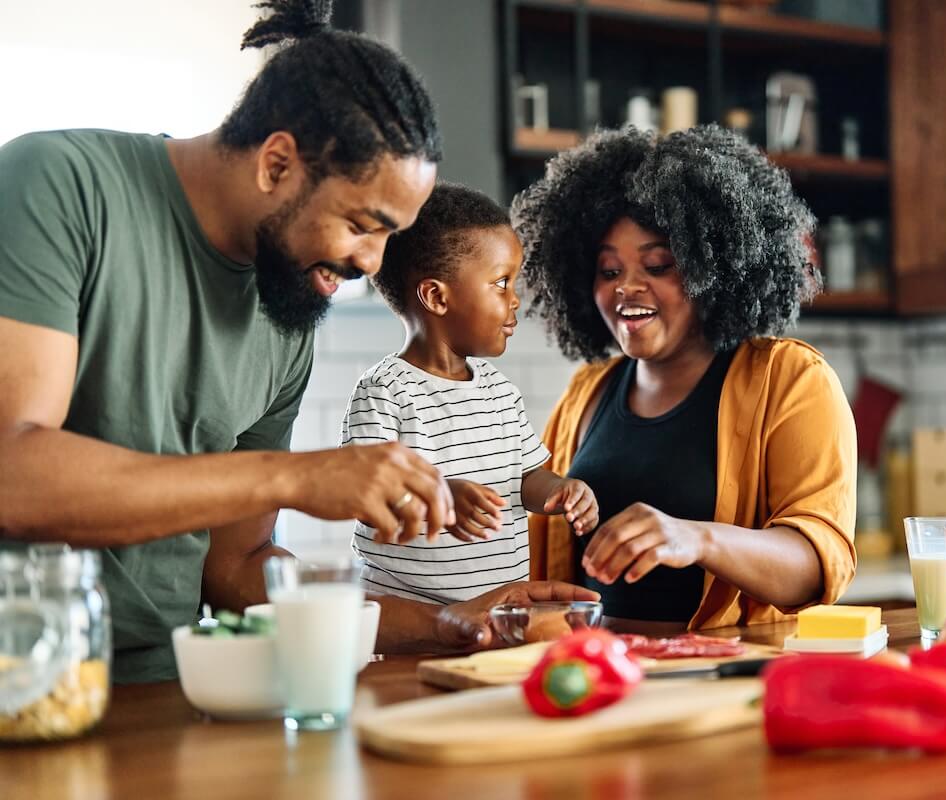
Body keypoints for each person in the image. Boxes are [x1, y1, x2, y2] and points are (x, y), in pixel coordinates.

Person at [0, 0, 592, 684]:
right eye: (363, 225)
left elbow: (238, 570)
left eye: (390, 237)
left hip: (164, 684)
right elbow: (14, 474)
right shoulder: (58, 185)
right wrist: (302, 476)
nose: (373, 263)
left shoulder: (286, 309)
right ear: (277, 163)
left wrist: (452, 624)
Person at [514, 125, 858, 633]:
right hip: (594, 680)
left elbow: (818, 564)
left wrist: (695, 539)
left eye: (658, 265)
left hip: (718, 681)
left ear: (712, 266)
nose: (627, 287)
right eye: (608, 272)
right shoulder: (584, 395)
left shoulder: (790, 380)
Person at [341, 184, 599, 605]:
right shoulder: (385, 392)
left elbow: (526, 478)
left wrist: (559, 491)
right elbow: (364, 492)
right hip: (412, 624)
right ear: (437, 297)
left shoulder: (499, 392)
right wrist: (441, 499)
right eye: (501, 282)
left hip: (499, 614)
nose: (515, 300)